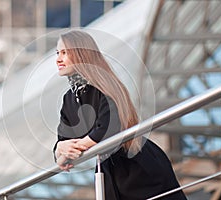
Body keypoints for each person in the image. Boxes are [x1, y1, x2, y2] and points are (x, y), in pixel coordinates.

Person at [53, 30, 187, 200]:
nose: (58, 59)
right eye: (57, 53)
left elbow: (107, 129)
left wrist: (71, 149)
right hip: (109, 173)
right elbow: (63, 143)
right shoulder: (69, 99)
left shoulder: (105, 84)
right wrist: (59, 150)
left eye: (64, 53)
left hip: (139, 166)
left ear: (81, 54)